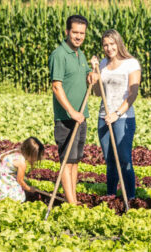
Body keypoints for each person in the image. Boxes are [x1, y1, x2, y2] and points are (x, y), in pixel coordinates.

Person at [48, 15, 98, 205]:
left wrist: (91, 75)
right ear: (67, 32)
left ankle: (74, 199)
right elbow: (56, 86)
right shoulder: (59, 54)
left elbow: (84, 77)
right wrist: (71, 112)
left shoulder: (80, 54)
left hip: (81, 116)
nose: (78, 36)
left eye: (82, 33)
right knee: (66, 161)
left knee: (75, 161)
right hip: (67, 118)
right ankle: (71, 204)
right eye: (75, 32)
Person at [91, 29, 141, 200]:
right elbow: (98, 93)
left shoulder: (131, 63)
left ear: (118, 43)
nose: (109, 48)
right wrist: (94, 72)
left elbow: (133, 94)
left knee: (124, 158)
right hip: (103, 116)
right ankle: (111, 195)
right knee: (110, 160)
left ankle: (130, 197)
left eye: (112, 44)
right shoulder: (102, 64)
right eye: (105, 45)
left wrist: (117, 113)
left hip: (123, 117)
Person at [0, 137, 44, 202]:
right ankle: (5, 200)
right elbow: (20, 181)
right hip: (0, 176)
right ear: (31, 155)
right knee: (19, 197)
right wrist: (30, 189)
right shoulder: (21, 163)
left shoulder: (15, 151)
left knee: (1, 192)